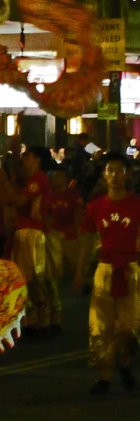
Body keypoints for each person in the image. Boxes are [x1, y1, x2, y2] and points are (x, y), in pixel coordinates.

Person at [73, 153, 140, 394]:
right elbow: (87, 242)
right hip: (104, 271)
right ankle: (104, 376)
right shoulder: (95, 207)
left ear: (128, 174)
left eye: (120, 170)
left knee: (129, 327)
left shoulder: (137, 205)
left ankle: (123, 360)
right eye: (110, 170)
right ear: (104, 174)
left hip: (130, 271)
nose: (115, 175)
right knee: (100, 326)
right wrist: (79, 272)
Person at [0, 146, 53, 336]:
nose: (24, 159)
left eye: (27, 155)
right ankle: (32, 320)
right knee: (24, 278)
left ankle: (42, 321)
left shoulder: (38, 179)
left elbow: (20, 201)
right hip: (23, 231)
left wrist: (4, 183)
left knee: (34, 278)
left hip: (32, 232)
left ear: (36, 159)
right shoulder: (29, 179)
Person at [45, 166, 83, 332]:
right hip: (54, 233)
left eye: (59, 176)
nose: (56, 178)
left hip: (68, 233)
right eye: (54, 175)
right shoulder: (50, 196)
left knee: (73, 264)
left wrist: (76, 230)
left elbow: (78, 213)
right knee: (55, 270)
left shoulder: (72, 195)